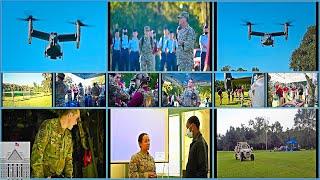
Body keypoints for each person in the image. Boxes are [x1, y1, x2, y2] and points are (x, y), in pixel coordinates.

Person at [31, 109, 81, 178]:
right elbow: (37, 154)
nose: (76, 123)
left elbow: (68, 160)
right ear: (70, 115)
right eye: (76, 119)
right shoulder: (48, 126)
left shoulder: (68, 135)